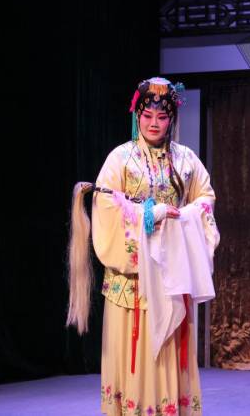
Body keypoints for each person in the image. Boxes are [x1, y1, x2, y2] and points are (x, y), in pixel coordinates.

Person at [67, 77, 219, 416]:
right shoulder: (120, 159)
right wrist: (149, 216)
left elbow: (205, 198)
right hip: (132, 284)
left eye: (162, 117)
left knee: (168, 357)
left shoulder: (186, 159)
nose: (154, 123)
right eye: (147, 116)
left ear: (171, 119)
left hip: (172, 276)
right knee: (135, 359)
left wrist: (185, 216)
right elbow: (106, 207)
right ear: (137, 115)